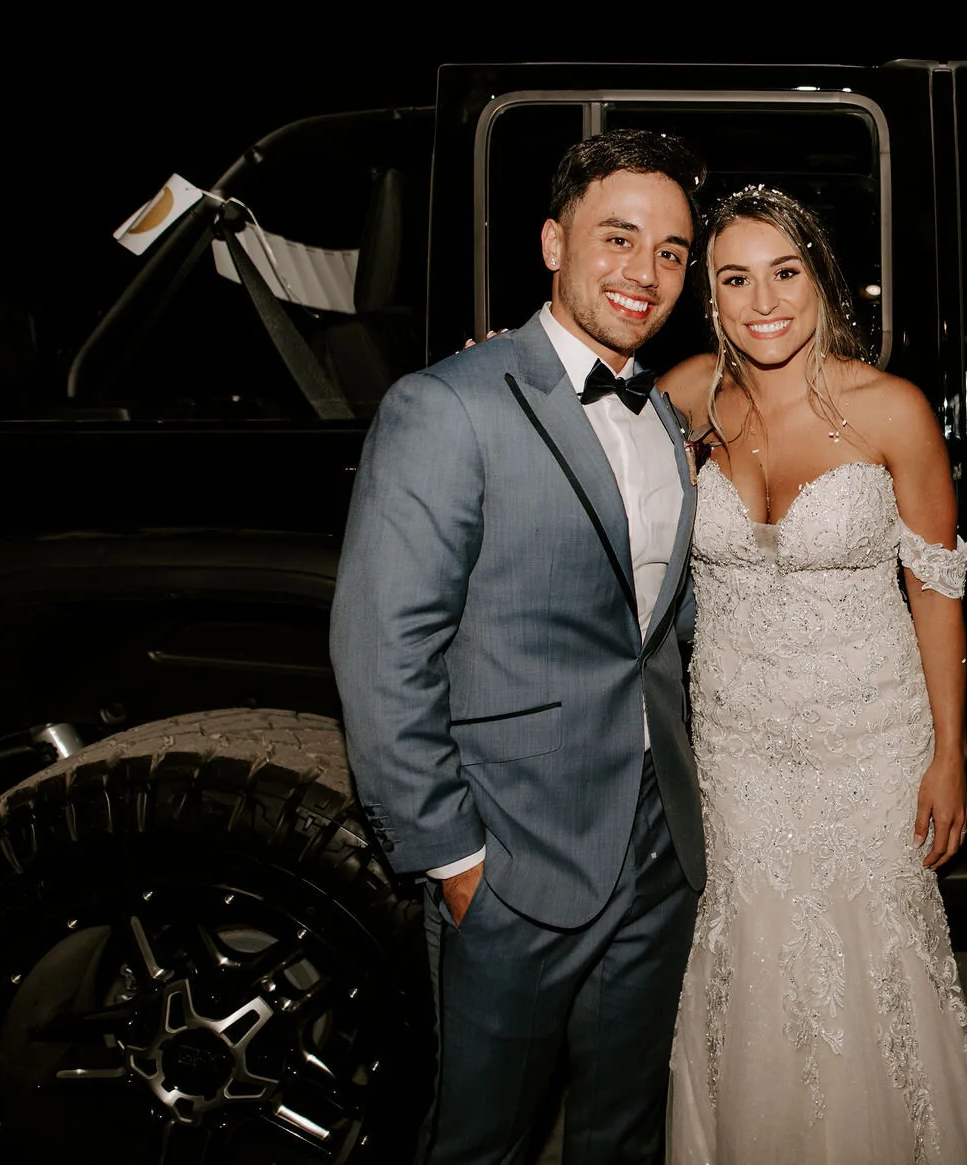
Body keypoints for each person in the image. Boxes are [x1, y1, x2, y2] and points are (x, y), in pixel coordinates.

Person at [331, 130, 706, 1165]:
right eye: (617, 237)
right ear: (552, 243)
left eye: (671, 251)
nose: (644, 272)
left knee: (623, 1132)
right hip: (514, 854)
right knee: (482, 1143)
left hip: (657, 845)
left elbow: (658, 627)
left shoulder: (666, 418)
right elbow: (383, 653)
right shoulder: (445, 405)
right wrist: (454, 859)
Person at [659, 186, 967, 1164]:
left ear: (819, 279)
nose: (763, 301)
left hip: (870, 747)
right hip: (737, 750)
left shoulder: (891, 409)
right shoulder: (687, 398)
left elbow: (934, 589)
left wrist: (950, 753)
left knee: (878, 971)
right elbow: (572, 433)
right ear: (711, 296)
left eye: (784, 272)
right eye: (735, 279)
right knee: (750, 960)